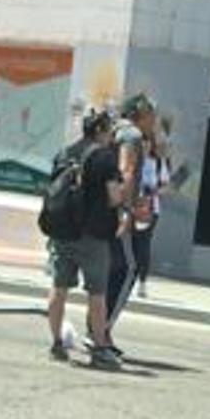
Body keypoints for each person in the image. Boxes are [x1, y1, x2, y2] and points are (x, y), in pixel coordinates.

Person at [46, 109, 124, 369]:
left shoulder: (64, 153)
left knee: (59, 288)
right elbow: (114, 197)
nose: (113, 135)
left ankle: (57, 343)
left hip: (61, 231)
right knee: (97, 293)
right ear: (101, 130)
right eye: (110, 130)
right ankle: (100, 348)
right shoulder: (104, 158)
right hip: (93, 236)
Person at [104, 93, 158, 349]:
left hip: (101, 211)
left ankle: (99, 329)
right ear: (141, 114)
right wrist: (126, 211)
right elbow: (126, 171)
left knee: (110, 271)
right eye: (152, 117)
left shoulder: (112, 130)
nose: (154, 123)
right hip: (116, 214)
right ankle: (101, 331)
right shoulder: (132, 135)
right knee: (128, 269)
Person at [131, 133, 171, 300]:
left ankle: (142, 282)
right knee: (129, 244)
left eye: (148, 144)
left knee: (143, 244)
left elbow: (166, 186)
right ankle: (128, 279)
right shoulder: (131, 160)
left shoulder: (157, 163)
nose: (145, 147)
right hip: (132, 207)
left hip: (150, 209)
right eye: (142, 144)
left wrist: (153, 192)